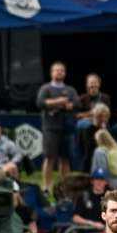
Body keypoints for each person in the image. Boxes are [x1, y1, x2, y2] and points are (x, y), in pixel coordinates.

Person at [37, 62, 79, 194]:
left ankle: (64, 187)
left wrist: (69, 105)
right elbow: (40, 103)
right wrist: (59, 101)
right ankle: (46, 187)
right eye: (57, 70)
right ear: (51, 73)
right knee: (49, 158)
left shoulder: (70, 90)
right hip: (50, 128)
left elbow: (76, 103)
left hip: (67, 128)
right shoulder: (46, 88)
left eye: (62, 70)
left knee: (65, 159)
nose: (59, 72)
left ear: (65, 73)